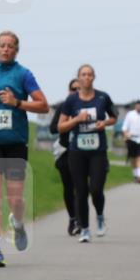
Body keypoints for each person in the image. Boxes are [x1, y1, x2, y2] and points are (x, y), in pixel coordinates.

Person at [0, 32, 49, 267]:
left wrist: (18, 103)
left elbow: (43, 105)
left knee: (15, 199)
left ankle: (17, 221)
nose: (5, 49)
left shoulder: (24, 75)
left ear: (16, 50)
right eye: (2, 45)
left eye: (10, 46)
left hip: (15, 143)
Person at [57, 64, 117, 243]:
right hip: (77, 151)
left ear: (94, 77)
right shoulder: (71, 101)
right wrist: (76, 119)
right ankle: (84, 229)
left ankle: (99, 215)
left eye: (90, 74)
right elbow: (61, 126)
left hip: (98, 151)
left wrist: (104, 124)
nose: (87, 77)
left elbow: (114, 117)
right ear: (78, 78)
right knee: (81, 191)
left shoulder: (102, 97)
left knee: (96, 189)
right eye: (83, 74)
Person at [48, 78, 80, 235]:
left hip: (83, 152)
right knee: (69, 186)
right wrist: (70, 122)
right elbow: (53, 129)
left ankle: (81, 218)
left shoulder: (89, 107)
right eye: (73, 89)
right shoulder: (63, 107)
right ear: (69, 91)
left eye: (79, 89)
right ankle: (73, 218)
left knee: (81, 187)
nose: (76, 92)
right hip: (65, 151)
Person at [121, 99, 140, 184]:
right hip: (131, 139)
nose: (139, 107)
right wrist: (125, 135)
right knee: (133, 158)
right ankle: (135, 175)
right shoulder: (130, 114)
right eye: (137, 105)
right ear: (135, 106)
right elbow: (124, 127)